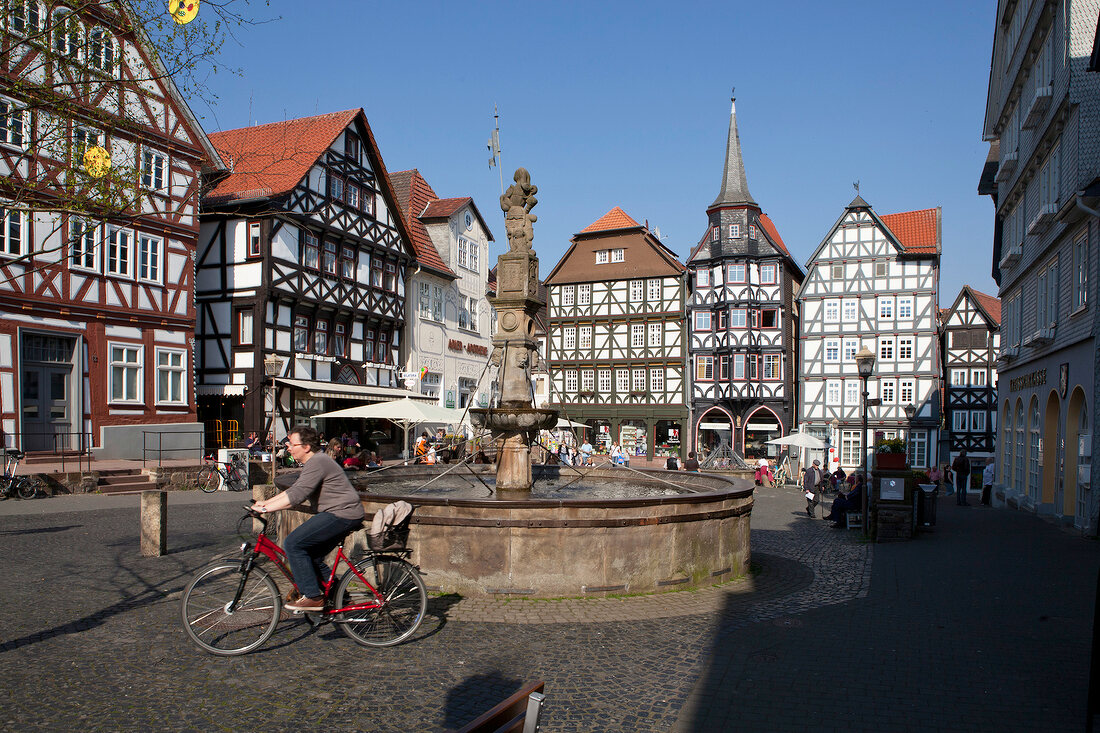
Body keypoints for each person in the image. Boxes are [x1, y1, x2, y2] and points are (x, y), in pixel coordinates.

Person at [252, 425, 366, 612]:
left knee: (293, 544)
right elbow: (294, 490)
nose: (288, 447)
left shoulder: (318, 462)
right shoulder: (315, 462)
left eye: (292, 444)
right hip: (339, 513)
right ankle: (341, 599)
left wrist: (265, 508)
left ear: (306, 447)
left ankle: (313, 597)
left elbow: (296, 497)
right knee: (312, 557)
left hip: (342, 513)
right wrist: (263, 504)